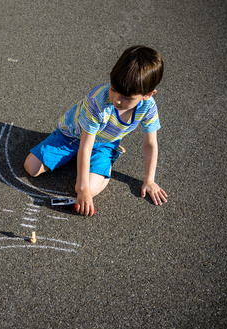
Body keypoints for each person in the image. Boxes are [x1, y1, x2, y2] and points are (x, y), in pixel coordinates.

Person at [24, 45, 168, 216]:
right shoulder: (98, 102)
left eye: (127, 98)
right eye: (114, 89)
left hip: (103, 144)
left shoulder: (148, 107)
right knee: (31, 167)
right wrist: (82, 187)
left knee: (88, 189)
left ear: (148, 95)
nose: (117, 99)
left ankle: (104, 160)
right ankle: (77, 161)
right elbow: (86, 145)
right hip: (71, 136)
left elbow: (150, 144)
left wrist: (149, 180)